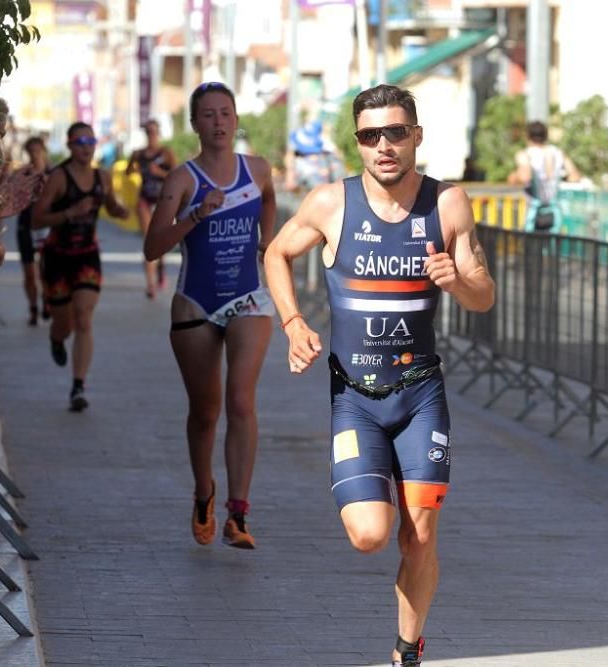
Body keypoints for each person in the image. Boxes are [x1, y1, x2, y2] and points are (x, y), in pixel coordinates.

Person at [264, 84, 495, 667]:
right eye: (370, 136)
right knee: (370, 533)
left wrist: (457, 281)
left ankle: (407, 648)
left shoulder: (448, 205)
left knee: (419, 530)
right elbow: (275, 253)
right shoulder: (330, 203)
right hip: (356, 397)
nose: (384, 146)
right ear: (358, 143)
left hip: (421, 395)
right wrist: (293, 323)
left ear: (416, 135)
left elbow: (484, 296)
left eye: (395, 132)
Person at [143, 82, 275, 550]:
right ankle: (205, 493)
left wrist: (268, 243)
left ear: (237, 120)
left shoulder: (257, 170)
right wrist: (196, 215)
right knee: (206, 412)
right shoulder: (182, 179)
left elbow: (270, 201)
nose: (218, 122)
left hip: (248, 298)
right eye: (208, 114)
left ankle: (238, 514)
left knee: (241, 400)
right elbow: (152, 247)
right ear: (195, 124)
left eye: (226, 113)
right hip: (195, 302)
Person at [31, 121, 128, 411]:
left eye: (90, 141)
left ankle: (78, 386)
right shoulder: (58, 178)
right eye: (79, 142)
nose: (86, 147)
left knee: (84, 317)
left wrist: (119, 210)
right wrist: (70, 212)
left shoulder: (104, 177)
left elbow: (110, 204)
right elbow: (37, 219)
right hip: (58, 257)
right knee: (65, 323)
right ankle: (56, 337)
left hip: (87, 255)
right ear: (70, 146)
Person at [126, 119, 176, 298]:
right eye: (148, 132)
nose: (151, 135)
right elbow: (128, 171)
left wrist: (159, 173)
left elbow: (177, 174)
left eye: (154, 132)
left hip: (163, 200)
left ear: (159, 133)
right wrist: (134, 168)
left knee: (160, 239)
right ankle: (150, 284)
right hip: (145, 199)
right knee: (148, 240)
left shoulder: (166, 152)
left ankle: (161, 268)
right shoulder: (139, 154)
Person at [507, 120, 582, 232]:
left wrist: (513, 177)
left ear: (527, 136)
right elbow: (575, 176)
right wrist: (560, 178)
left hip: (533, 213)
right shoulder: (558, 153)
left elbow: (525, 177)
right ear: (546, 136)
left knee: (531, 248)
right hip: (554, 213)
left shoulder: (526, 154)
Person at [15, 136, 51, 325]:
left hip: (47, 225)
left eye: (37, 151)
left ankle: (46, 299)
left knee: (46, 269)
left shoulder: (54, 173)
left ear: (44, 151)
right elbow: (13, 199)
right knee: (29, 271)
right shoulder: (24, 174)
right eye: (31, 151)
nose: (34, 155)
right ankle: (33, 307)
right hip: (27, 224)